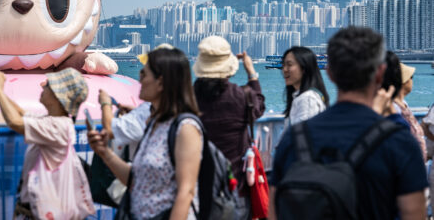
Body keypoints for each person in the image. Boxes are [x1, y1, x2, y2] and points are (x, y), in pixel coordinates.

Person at [269, 27, 428, 220]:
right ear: (380, 73)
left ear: (330, 73)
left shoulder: (294, 138)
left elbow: (274, 211)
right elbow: (413, 213)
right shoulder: (399, 142)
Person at [88, 47, 203, 220]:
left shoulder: (185, 129)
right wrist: (105, 153)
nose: (139, 78)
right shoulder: (153, 124)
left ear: (160, 82)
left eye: (144, 73)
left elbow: (186, 192)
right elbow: (136, 180)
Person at [0, 67, 94, 220]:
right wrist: (0, 91)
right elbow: (21, 113)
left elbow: (15, 122)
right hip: (34, 210)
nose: (43, 86)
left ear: (58, 97)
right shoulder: (52, 121)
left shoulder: (59, 126)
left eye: (49, 85)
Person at [192, 36, 265, 220]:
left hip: (198, 189)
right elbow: (258, 107)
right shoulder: (242, 96)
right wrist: (252, 73)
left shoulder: (190, 98)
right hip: (236, 187)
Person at [281, 46, 329, 126]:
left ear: (304, 68)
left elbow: (303, 132)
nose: (284, 70)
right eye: (283, 65)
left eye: (289, 65)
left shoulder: (308, 99)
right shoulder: (300, 96)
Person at [393, 63, 427, 161]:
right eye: (411, 77)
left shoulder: (404, 104)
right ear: (404, 81)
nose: (412, 81)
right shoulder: (394, 107)